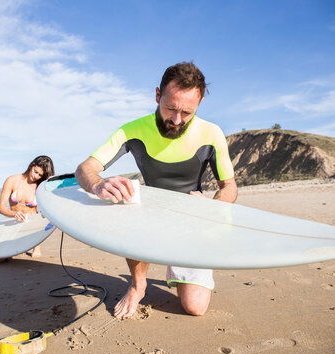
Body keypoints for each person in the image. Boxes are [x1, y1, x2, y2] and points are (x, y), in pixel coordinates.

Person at [75, 62, 237, 319]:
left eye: (187, 112)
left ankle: (177, 268)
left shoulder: (211, 133)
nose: (176, 120)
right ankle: (138, 284)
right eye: (170, 108)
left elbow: (229, 187)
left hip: (192, 218)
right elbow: (85, 168)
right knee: (124, 200)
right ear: (157, 95)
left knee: (195, 308)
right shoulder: (132, 130)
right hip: (150, 215)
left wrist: (213, 208)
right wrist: (98, 184)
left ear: (200, 102)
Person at [0, 155, 54, 258]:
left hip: (31, 229)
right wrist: (13, 213)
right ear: (32, 165)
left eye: (40, 175)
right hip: (14, 224)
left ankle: (36, 247)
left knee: (35, 257)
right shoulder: (12, 180)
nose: (36, 176)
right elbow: (0, 207)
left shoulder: (40, 187)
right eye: (35, 172)